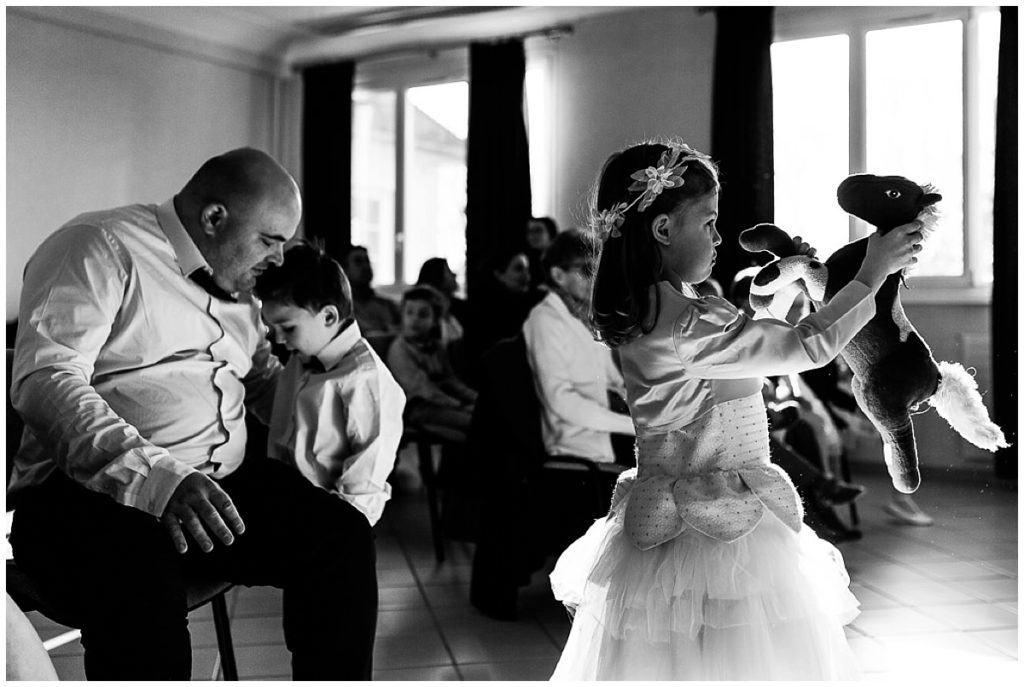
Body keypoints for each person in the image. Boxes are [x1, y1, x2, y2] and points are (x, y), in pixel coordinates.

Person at [548, 139, 924, 680]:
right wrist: (872, 273)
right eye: (708, 223)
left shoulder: (662, 310)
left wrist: (782, 295)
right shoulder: (687, 323)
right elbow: (807, 347)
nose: (720, 237)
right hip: (717, 531)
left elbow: (746, 344)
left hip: (676, 525)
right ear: (662, 231)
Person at [8, 148, 379, 680]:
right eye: (270, 241)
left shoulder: (246, 288)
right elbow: (46, 382)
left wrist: (350, 402)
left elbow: (261, 379)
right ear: (213, 218)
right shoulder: (97, 246)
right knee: (139, 584)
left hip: (223, 486)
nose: (278, 261)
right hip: (90, 498)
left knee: (341, 535)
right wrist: (158, 479)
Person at [254, 241, 406, 527]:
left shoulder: (365, 380)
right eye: (271, 328)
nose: (278, 339)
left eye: (287, 328)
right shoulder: (303, 357)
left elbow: (363, 485)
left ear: (328, 316)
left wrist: (327, 532)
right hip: (286, 508)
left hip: (332, 526)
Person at [523, 228, 635, 470]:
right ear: (558, 274)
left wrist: (641, 411)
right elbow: (561, 400)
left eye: (598, 269)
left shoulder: (587, 316)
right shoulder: (544, 319)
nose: (596, 278)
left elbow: (613, 382)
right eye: (586, 270)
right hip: (578, 450)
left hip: (613, 439)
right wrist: (633, 425)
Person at [387, 285, 477, 443]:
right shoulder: (399, 350)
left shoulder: (437, 346)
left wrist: (474, 398)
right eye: (409, 313)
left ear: (435, 321)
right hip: (417, 408)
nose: (415, 319)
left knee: (487, 416)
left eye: (423, 315)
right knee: (476, 422)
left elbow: (450, 379)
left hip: (440, 402)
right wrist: (459, 405)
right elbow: (422, 388)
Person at [464, 246, 543, 372]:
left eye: (527, 269)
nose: (526, 275)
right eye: (519, 269)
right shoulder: (489, 309)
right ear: (499, 274)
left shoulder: (526, 303)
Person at [340, 244, 401, 344]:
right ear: (345, 270)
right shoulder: (342, 309)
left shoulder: (387, 305)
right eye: (358, 262)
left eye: (367, 261)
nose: (365, 266)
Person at [525, 216, 558, 289]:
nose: (532, 236)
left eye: (538, 231)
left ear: (551, 232)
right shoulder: (531, 261)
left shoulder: (561, 258)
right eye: (530, 232)